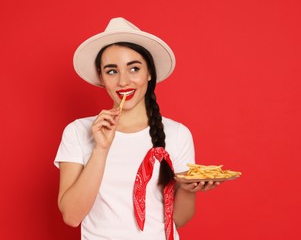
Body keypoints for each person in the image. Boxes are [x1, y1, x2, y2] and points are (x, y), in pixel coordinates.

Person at [54, 17, 219, 240]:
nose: (123, 81)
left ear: (149, 73)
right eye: (112, 71)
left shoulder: (178, 134)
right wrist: (101, 149)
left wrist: (188, 190)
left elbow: (177, 220)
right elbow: (72, 216)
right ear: (101, 77)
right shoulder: (77, 131)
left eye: (134, 68)